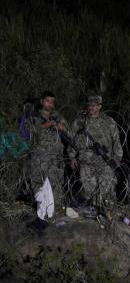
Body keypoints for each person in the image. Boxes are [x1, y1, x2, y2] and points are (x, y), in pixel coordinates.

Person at [70, 95, 122, 209]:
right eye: (89, 106)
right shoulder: (79, 122)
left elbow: (116, 140)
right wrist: (72, 156)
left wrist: (117, 158)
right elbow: (73, 140)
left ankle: (107, 211)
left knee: (107, 187)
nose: (91, 108)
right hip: (85, 160)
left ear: (99, 106)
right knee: (88, 189)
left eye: (94, 106)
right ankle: (91, 212)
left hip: (105, 160)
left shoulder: (108, 122)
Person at [26, 91, 69, 223]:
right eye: (47, 101)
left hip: (55, 158)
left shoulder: (58, 116)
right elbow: (27, 133)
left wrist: (61, 127)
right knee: (38, 185)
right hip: (39, 157)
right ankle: (40, 214)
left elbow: (68, 131)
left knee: (56, 185)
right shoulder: (33, 116)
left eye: (52, 102)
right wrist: (46, 125)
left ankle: (55, 215)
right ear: (41, 101)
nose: (50, 104)